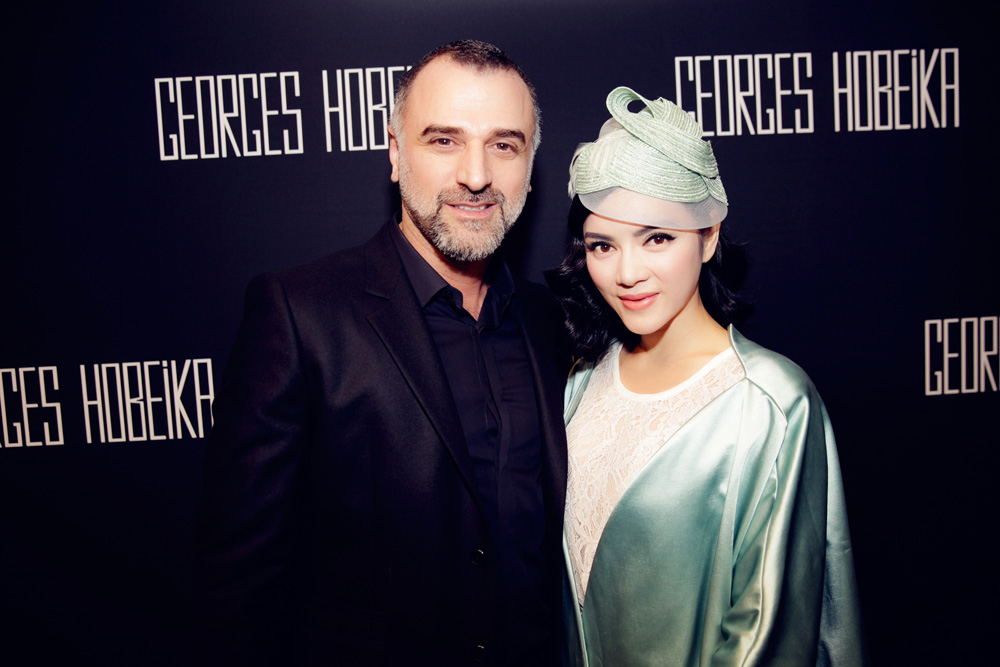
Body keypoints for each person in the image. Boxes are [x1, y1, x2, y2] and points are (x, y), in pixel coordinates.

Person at [193, 40, 569, 667]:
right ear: (396, 153)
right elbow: (238, 588)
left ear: (530, 166)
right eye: (444, 140)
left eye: (504, 145)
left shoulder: (553, 323)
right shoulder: (300, 315)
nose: (477, 175)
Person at [547, 87, 865, 666]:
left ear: (709, 235)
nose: (627, 272)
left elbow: (769, 634)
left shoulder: (771, 402)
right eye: (602, 245)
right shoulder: (580, 384)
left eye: (657, 238)